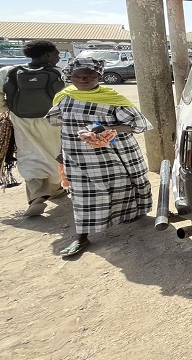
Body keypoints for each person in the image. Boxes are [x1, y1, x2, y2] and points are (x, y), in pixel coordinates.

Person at [46, 58, 153, 257]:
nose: (83, 79)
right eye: (77, 76)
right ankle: (81, 237)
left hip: (114, 155)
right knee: (82, 195)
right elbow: (62, 126)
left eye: (89, 76)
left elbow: (137, 125)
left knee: (124, 185)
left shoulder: (113, 99)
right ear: (69, 77)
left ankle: (133, 215)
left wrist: (108, 128)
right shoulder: (64, 98)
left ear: (99, 77)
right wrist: (62, 152)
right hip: (78, 156)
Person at [0, 40, 66, 216]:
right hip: (53, 121)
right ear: (47, 56)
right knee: (55, 153)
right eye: (56, 53)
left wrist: (7, 109)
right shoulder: (57, 73)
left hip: (21, 120)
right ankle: (56, 189)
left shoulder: (8, 72)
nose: (58, 57)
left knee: (30, 155)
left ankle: (37, 195)